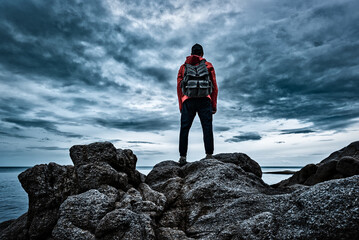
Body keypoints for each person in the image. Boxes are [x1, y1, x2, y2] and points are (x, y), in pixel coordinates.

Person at [177, 43, 218, 165]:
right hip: (205, 100)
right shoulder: (208, 65)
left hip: (188, 100)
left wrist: (181, 105)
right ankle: (209, 155)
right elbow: (214, 86)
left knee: (184, 129)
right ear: (202, 54)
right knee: (207, 127)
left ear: (191, 53)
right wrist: (214, 105)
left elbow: (179, 88)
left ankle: (183, 157)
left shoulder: (183, 67)